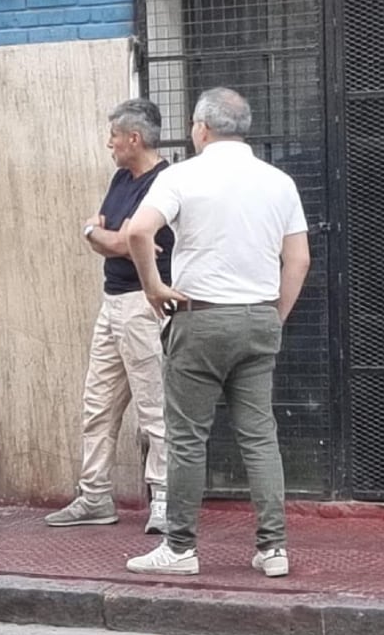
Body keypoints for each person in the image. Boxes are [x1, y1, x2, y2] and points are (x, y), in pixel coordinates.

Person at [125, 87, 310, 578]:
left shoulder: (183, 176)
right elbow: (299, 259)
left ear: (201, 128)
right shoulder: (279, 182)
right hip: (258, 317)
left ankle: (180, 547)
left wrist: (153, 287)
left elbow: (137, 232)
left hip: (199, 317)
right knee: (259, 435)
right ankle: (274, 548)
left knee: (188, 438)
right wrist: (275, 315)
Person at [45, 99, 174, 533]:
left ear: (133, 139)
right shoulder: (122, 178)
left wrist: (98, 233)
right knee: (97, 404)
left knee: (155, 407)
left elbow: (127, 243)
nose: (109, 144)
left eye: (114, 136)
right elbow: (111, 240)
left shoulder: (166, 182)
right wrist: (101, 235)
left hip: (145, 304)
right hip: (113, 301)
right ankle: (95, 496)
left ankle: (165, 500)